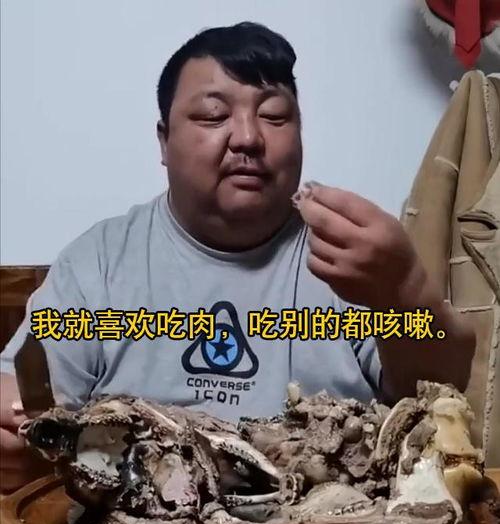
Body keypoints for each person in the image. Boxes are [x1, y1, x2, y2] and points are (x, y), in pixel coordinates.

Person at [0, 22, 475, 494]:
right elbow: (19, 393)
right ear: (164, 141)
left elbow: (438, 402)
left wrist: (403, 290)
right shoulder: (100, 263)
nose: (248, 137)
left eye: (274, 116)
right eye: (213, 116)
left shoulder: (351, 256)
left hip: (325, 516)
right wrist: (16, 436)